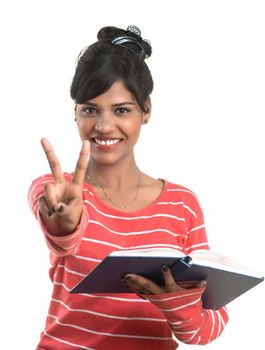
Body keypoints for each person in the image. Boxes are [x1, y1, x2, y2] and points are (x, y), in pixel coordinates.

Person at [28, 25, 228, 349]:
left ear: (146, 110)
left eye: (121, 110)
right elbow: (62, 238)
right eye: (90, 110)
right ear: (75, 113)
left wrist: (178, 307)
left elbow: (206, 329)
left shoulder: (182, 205)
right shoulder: (55, 191)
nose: (104, 126)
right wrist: (62, 225)